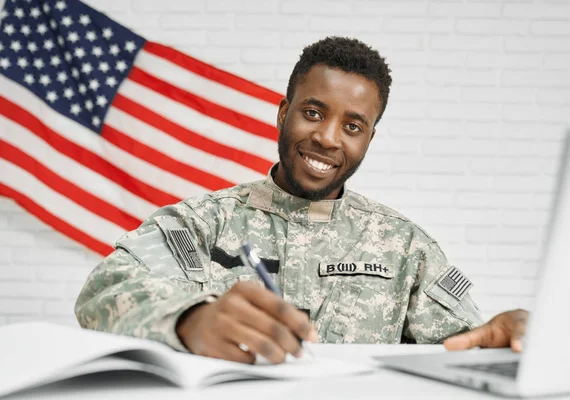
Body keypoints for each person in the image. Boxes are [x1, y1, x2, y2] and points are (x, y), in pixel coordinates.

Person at [75, 36, 528, 364]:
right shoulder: (203, 222)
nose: (327, 138)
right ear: (282, 113)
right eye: (313, 113)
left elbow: (463, 348)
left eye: (352, 126)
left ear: (370, 137)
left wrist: (501, 343)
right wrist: (190, 319)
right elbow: (105, 289)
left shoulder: (406, 246)